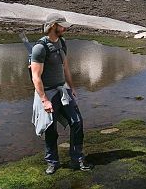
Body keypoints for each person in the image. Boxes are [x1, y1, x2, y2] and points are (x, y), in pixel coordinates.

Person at [30, 13, 91, 174]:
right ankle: (52, 162)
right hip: (48, 94)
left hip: (63, 90)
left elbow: (65, 68)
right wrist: (44, 100)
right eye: (61, 25)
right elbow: (36, 77)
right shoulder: (40, 48)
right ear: (52, 26)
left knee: (77, 122)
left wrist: (72, 87)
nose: (65, 28)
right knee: (50, 129)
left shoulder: (62, 43)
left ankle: (77, 160)